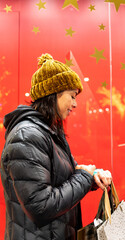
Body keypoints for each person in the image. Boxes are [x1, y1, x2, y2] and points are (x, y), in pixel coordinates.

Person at [0, 53, 112, 240]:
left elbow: (68, 177)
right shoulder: (27, 136)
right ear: (54, 94)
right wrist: (85, 176)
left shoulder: (48, 132)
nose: (75, 104)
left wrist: (93, 177)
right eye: (72, 96)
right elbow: (41, 205)